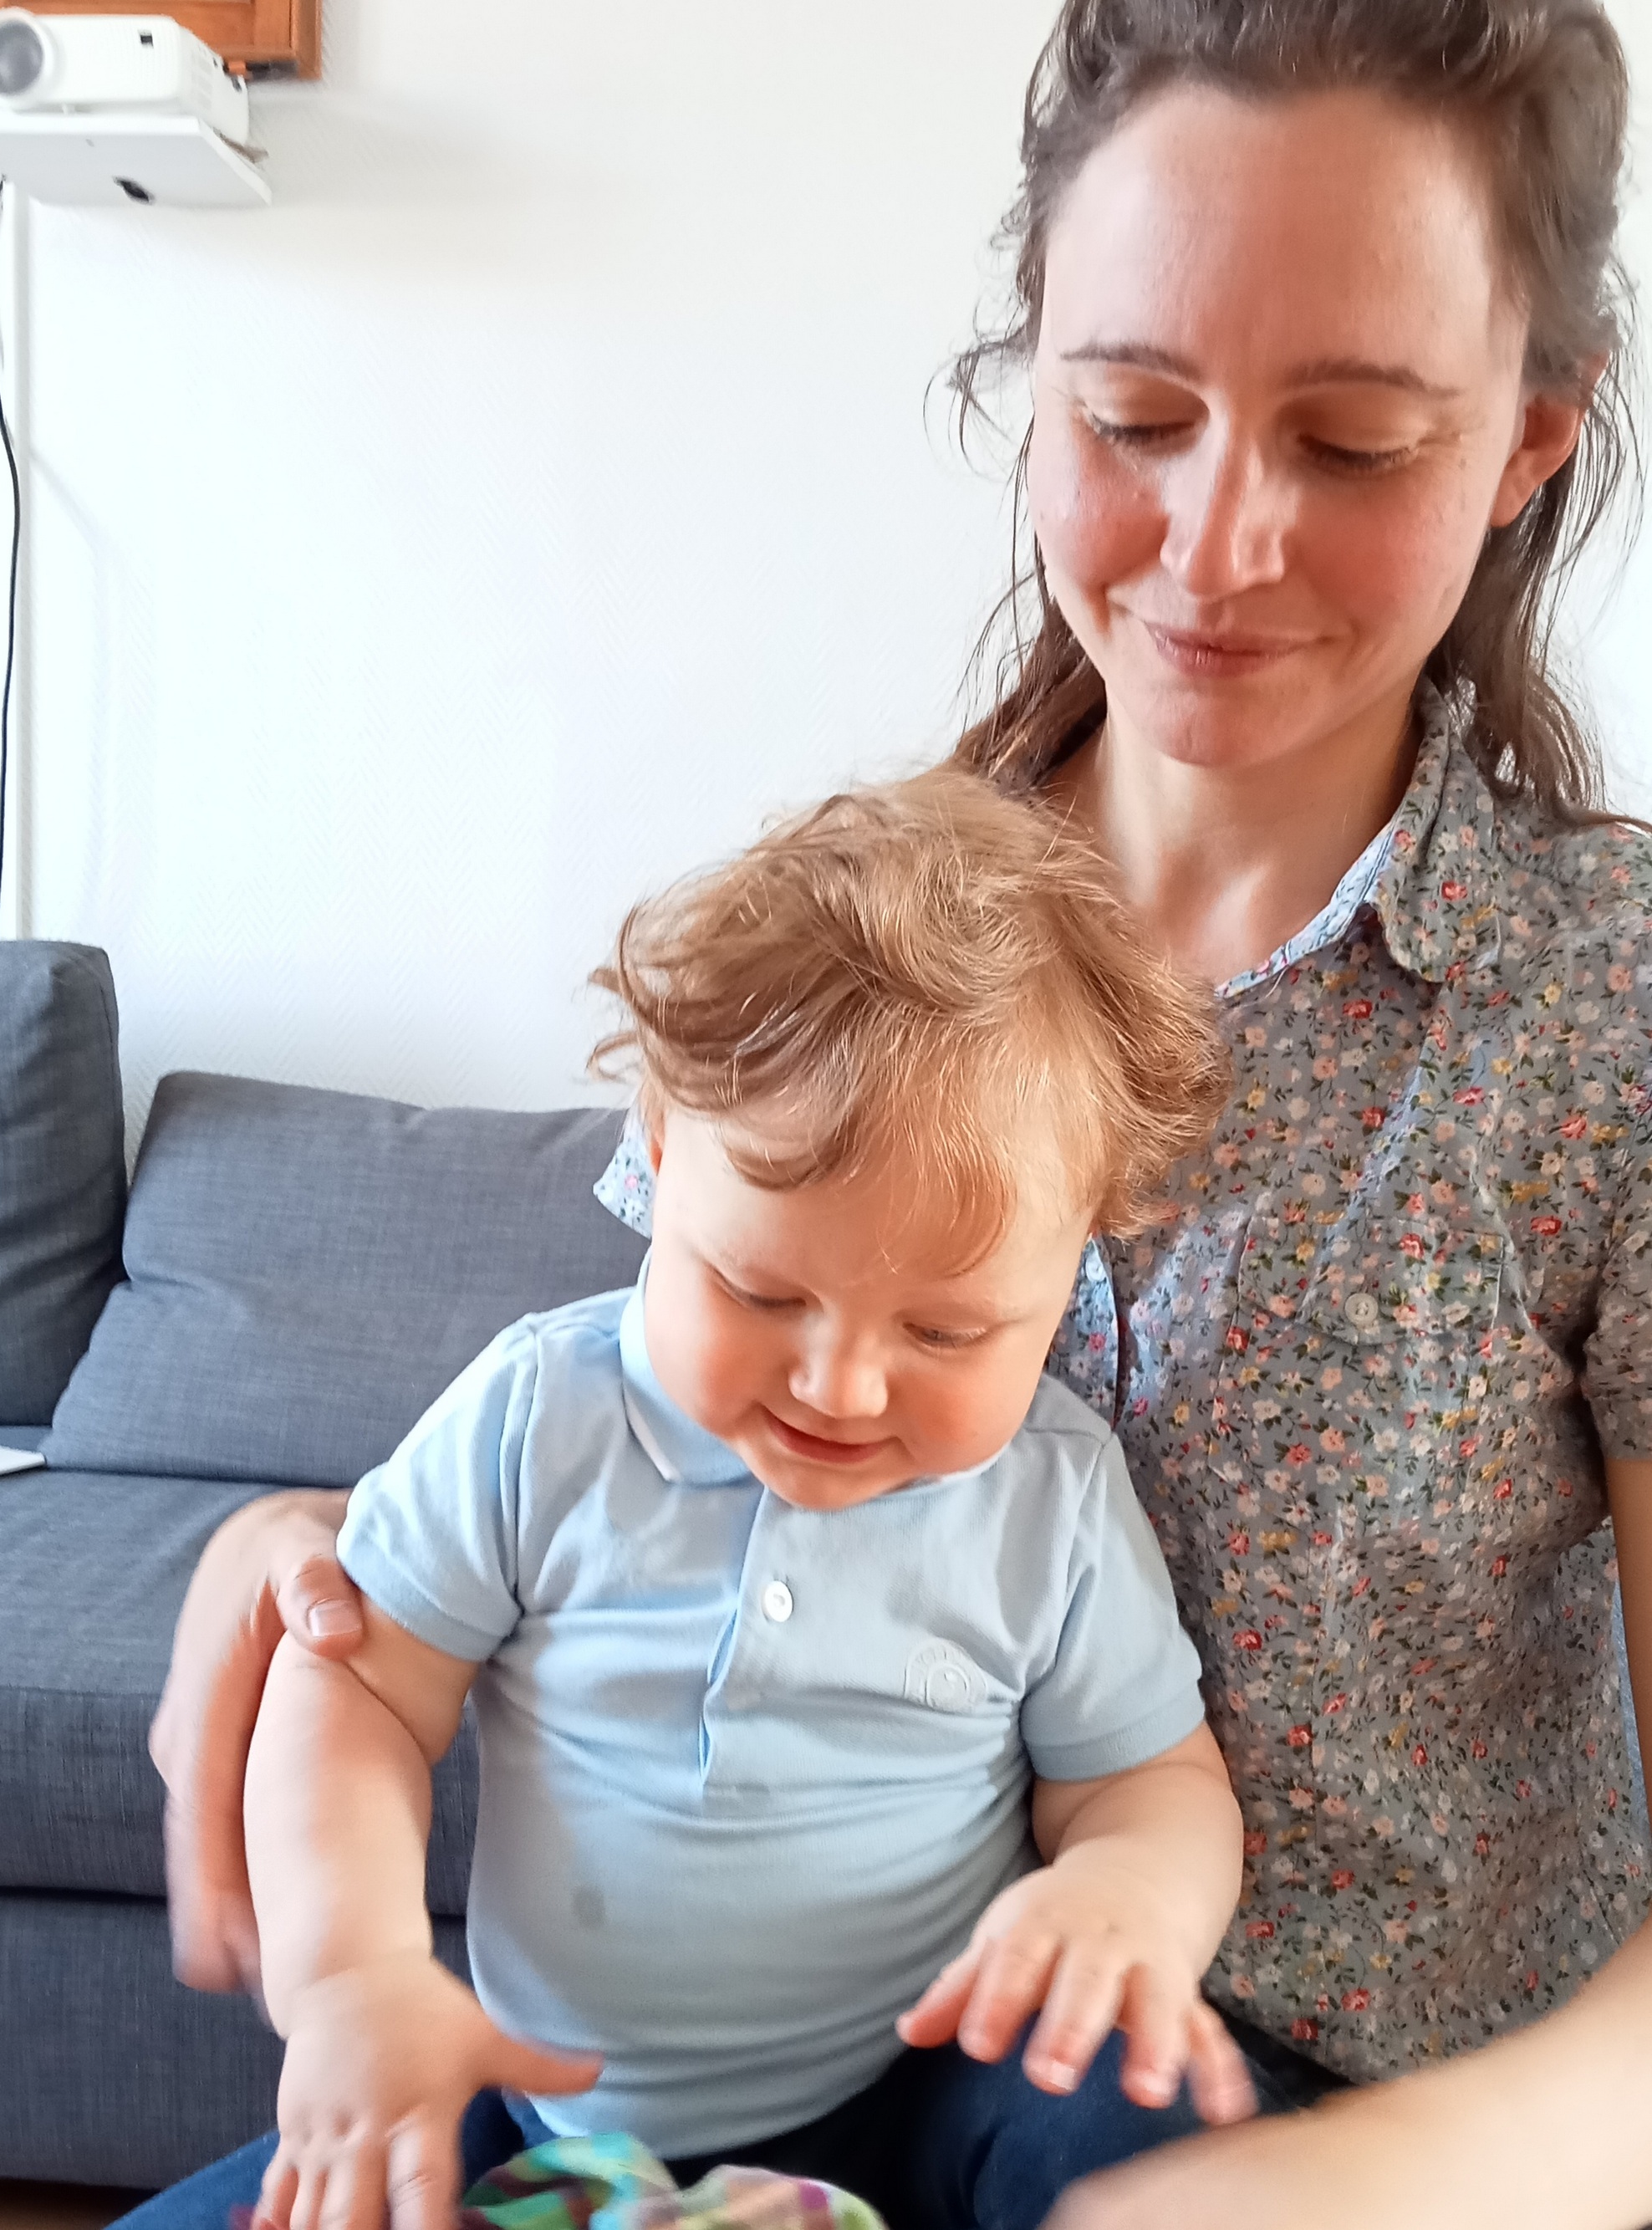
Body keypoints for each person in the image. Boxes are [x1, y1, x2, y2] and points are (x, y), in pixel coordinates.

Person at [149, 0, 1652, 2224]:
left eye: (1351, 443)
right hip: (703, 2095)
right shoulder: (859, 931)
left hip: (1344, 2133)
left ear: (1524, 445)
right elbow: (643, 1438)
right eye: (1131, 415)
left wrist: (1336, 2189)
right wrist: (300, 1564)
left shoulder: (1604, 1011)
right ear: (1026, 374)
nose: (1218, 541)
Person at [239, 772, 1252, 2230]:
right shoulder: (539, 1416)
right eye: (761, 1291)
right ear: (658, 1150)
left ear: (1076, 1264)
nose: (840, 1387)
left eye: (947, 1332)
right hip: (545, 2106)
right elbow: (356, 1696)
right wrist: (353, 1974)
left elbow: (1149, 1783)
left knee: (1148, 2117)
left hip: (919, 2091)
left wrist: (1130, 1897)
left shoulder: (1054, 1496)